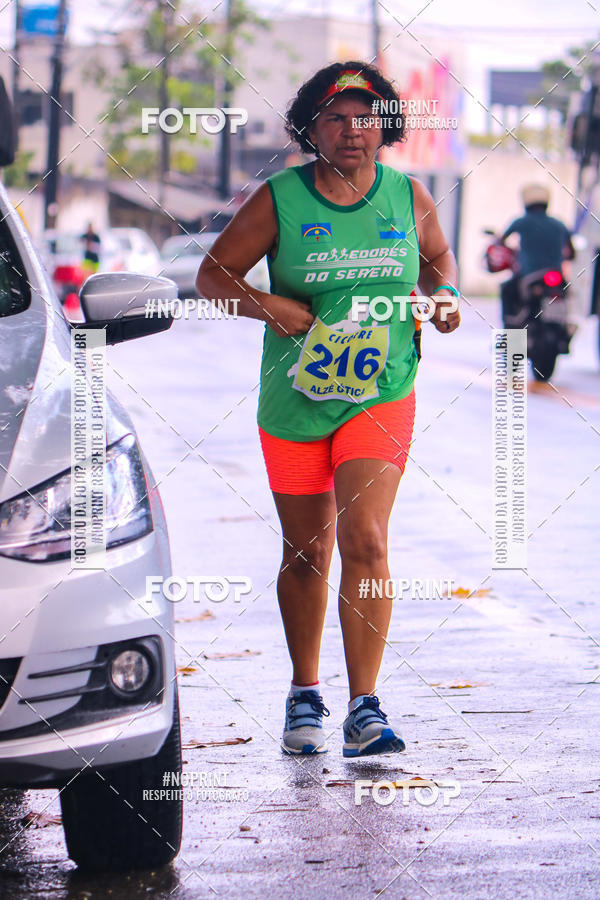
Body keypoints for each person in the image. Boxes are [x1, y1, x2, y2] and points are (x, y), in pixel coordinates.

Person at [196, 61, 460, 758]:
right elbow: (213, 276)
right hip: (296, 400)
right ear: (311, 127)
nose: (352, 130)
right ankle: (304, 692)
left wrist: (445, 298)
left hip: (381, 390)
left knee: (366, 540)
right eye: (336, 117)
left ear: (386, 126)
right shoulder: (279, 198)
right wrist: (272, 305)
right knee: (307, 550)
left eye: (366, 116)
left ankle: (366, 707)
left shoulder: (409, 196)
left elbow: (438, 261)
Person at [498, 184, 575, 320]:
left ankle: (511, 339)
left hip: (529, 276)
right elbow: (572, 253)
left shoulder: (521, 222)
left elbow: (500, 242)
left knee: (507, 290)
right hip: (557, 277)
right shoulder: (559, 224)